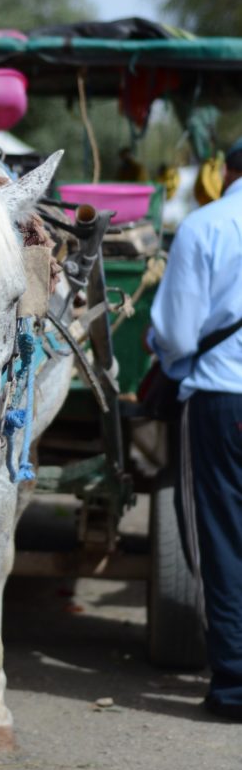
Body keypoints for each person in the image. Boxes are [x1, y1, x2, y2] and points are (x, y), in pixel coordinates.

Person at [150, 136, 242, 720]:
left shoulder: (205, 225)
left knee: (224, 538)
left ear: (229, 170)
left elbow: (179, 335)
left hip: (221, 398)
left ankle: (234, 685)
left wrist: (161, 351)